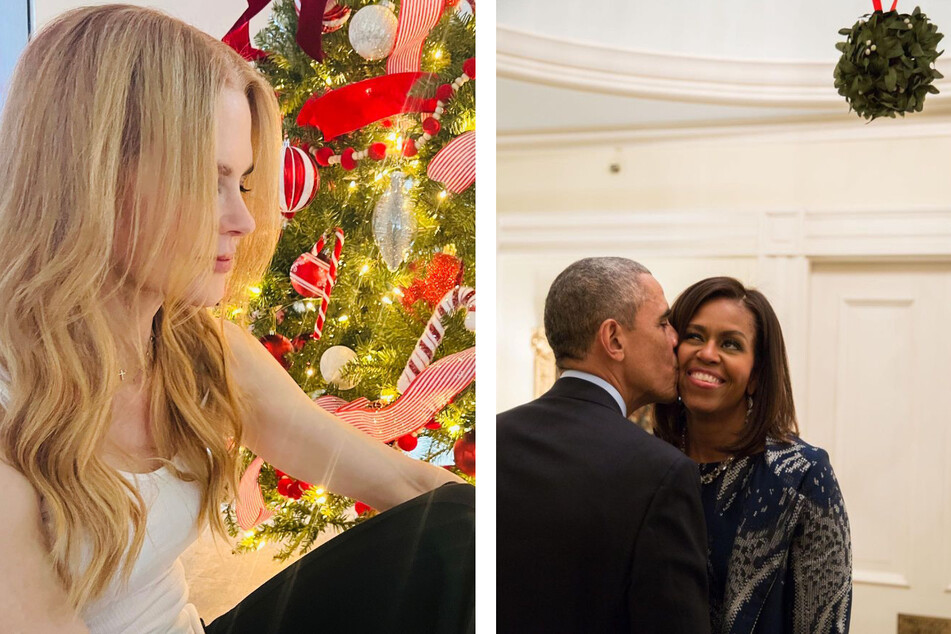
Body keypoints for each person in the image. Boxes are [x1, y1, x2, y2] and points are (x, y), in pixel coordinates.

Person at [0, 6, 473, 633]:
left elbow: (407, 486)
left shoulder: (195, 348)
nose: (243, 220)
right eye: (208, 179)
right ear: (94, 175)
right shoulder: (12, 409)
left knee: (462, 529)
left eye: (244, 183)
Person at [497, 257, 710, 633]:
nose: (675, 339)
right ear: (613, 339)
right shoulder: (662, 472)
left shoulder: (496, 437)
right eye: (663, 323)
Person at [653, 277, 852, 634]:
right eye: (695, 336)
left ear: (756, 374)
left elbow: (823, 622)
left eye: (730, 344)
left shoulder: (801, 474)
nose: (708, 353)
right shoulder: (646, 462)